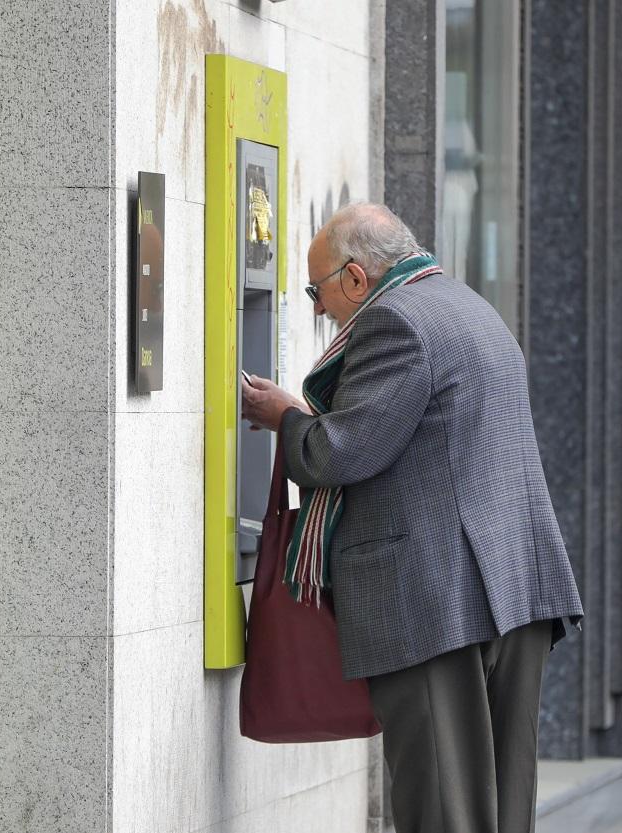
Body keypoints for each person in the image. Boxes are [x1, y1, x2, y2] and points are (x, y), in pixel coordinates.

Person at [241, 202, 584, 833]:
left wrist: (286, 418)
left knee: (443, 808)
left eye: (318, 292)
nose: (319, 310)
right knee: (502, 812)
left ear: (354, 278)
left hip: (436, 598)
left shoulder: (394, 322)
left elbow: (340, 452)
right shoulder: (468, 307)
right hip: (513, 588)